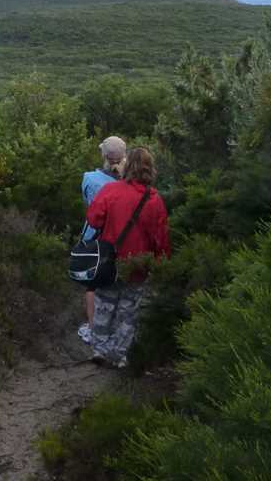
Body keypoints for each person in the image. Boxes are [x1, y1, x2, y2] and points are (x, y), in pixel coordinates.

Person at [85, 147, 170, 368]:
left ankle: (100, 349)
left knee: (104, 306)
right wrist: (160, 263)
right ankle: (119, 354)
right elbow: (161, 238)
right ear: (150, 168)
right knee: (128, 312)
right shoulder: (155, 200)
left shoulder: (110, 191)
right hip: (139, 266)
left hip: (111, 262)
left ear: (126, 165)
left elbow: (93, 220)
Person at [78, 136, 127, 345]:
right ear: (124, 156)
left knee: (92, 284)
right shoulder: (129, 183)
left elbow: (89, 205)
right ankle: (117, 328)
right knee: (119, 283)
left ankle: (93, 328)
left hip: (95, 238)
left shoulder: (89, 178)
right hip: (122, 239)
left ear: (103, 155)